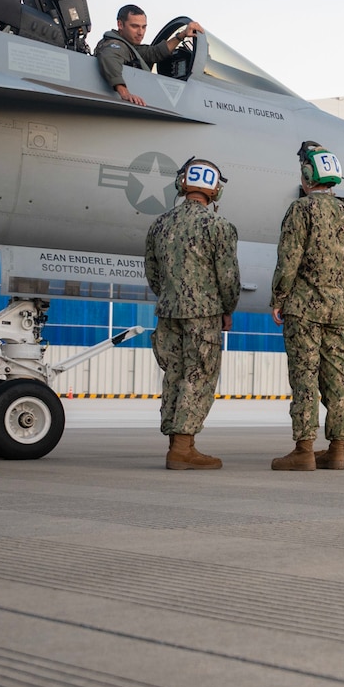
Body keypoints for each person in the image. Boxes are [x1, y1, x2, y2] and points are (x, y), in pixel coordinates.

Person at [269, 142, 344, 471]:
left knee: (305, 378)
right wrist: (341, 295)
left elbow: (289, 260)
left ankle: (304, 449)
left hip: (304, 309)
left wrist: (279, 298)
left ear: (308, 175)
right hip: (338, 311)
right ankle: (338, 448)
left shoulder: (301, 209)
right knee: (337, 379)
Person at [144, 157, 240, 470]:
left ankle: (179, 445)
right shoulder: (219, 226)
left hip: (168, 311)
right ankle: (183, 449)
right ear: (216, 192)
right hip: (204, 313)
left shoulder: (159, 224)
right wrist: (228, 309)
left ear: (181, 184)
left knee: (174, 375)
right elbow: (227, 276)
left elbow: (152, 271)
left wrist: (170, 296)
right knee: (198, 376)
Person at [95, 5, 203, 107]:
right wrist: (125, 93)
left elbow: (155, 52)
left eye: (143, 27)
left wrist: (182, 35)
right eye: (135, 26)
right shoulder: (115, 45)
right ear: (120, 25)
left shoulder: (130, 47)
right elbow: (109, 58)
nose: (140, 32)